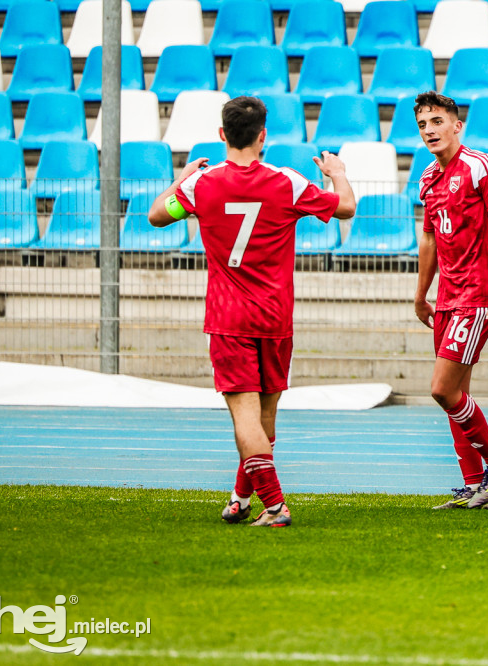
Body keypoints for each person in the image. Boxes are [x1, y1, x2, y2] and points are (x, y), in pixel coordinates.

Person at [149, 96, 356, 527]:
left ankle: (276, 507)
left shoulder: (200, 185)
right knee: (265, 419)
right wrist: (338, 174)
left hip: (229, 319)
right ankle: (242, 499)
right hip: (275, 317)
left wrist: (180, 179)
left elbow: (155, 216)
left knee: (246, 418)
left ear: (222, 135)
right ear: (264, 136)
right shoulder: (288, 182)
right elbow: (345, 207)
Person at [412, 91, 488, 509]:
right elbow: (429, 240)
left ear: (457, 125)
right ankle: (478, 486)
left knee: (443, 389)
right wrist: (422, 294)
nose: (429, 131)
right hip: (445, 298)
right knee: (457, 393)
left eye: (437, 122)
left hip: (476, 296)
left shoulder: (481, 167)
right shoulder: (427, 178)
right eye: (423, 124)